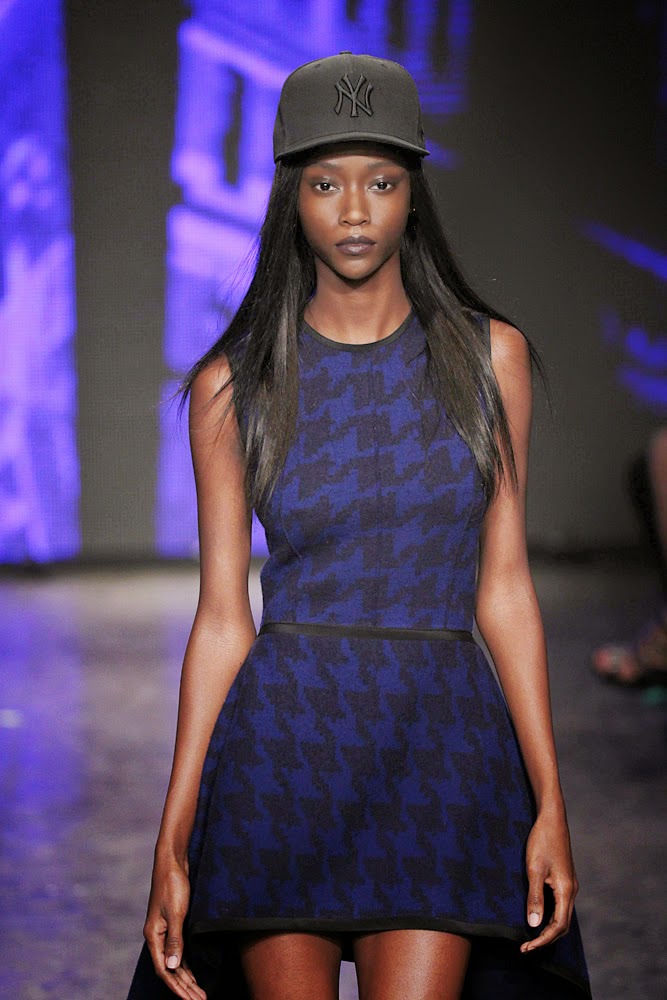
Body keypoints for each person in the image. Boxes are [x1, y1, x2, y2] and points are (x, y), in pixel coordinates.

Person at [127, 53, 591, 1000]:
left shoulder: (488, 359)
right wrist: (174, 835)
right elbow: (222, 617)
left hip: (440, 747)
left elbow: (503, 586)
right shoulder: (232, 385)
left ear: (412, 197)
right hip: (284, 750)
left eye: (379, 182)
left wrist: (549, 800)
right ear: (290, 200)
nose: (352, 210)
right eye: (324, 183)